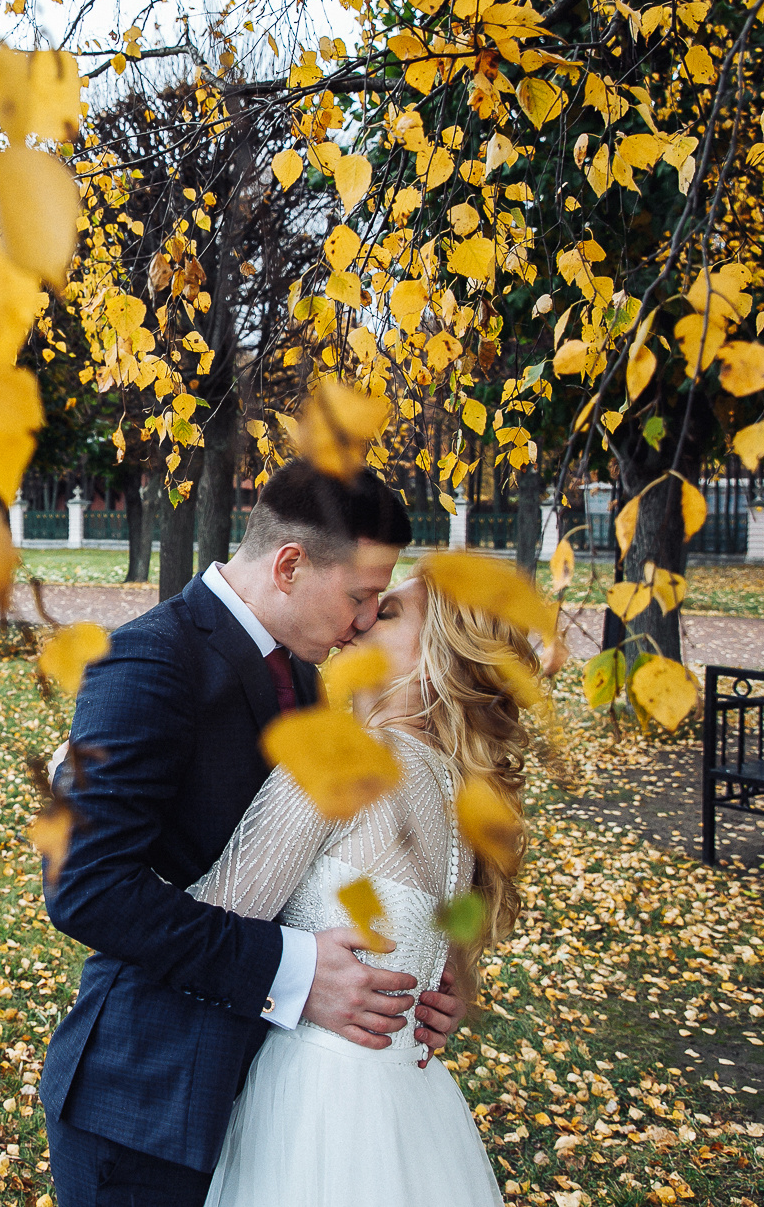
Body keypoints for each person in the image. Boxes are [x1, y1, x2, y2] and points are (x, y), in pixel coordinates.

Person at [40, 461, 464, 1207]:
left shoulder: (301, 675)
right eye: (361, 597)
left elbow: (307, 862)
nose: (366, 621)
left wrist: (419, 970)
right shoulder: (151, 659)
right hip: (145, 1102)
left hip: (262, 1106)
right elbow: (87, 888)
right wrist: (294, 971)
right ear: (291, 565)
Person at [193, 561, 537, 1205]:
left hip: (316, 1102)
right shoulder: (459, 797)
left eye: (387, 612)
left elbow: (207, 922)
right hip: (405, 1102)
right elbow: (437, 971)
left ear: (434, 663)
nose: (357, 620)